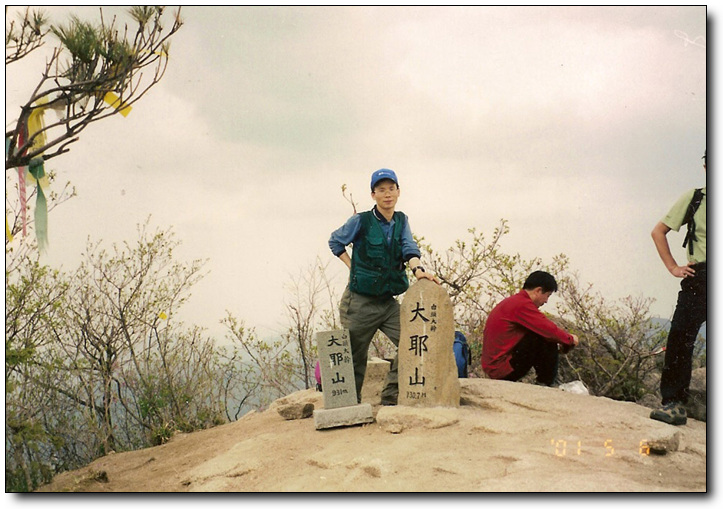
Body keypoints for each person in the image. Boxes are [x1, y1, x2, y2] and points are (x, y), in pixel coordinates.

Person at [328, 168, 439, 405]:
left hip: (388, 303)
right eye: (381, 190)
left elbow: (409, 248)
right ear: (373, 195)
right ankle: (349, 406)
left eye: (391, 189)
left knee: (415, 340)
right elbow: (335, 241)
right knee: (355, 357)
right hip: (359, 302)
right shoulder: (361, 220)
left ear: (398, 192)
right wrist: (352, 267)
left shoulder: (401, 220)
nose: (387, 194)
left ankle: (390, 394)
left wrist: (419, 271)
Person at [649, 151, 706, 426]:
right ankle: (674, 403)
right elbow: (658, 231)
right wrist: (673, 267)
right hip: (701, 275)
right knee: (681, 338)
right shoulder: (695, 198)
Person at [482, 271, 578, 386]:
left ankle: (545, 383)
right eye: (547, 295)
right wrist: (570, 339)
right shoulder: (522, 304)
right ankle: (545, 384)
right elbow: (548, 330)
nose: (546, 301)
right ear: (538, 290)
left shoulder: (513, 302)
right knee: (544, 337)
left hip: (495, 366)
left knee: (541, 335)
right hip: (501, 368)